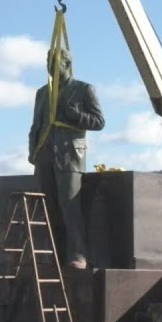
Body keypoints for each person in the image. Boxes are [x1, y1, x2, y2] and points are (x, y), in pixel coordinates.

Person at [28, 43, 104, 269]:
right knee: (46, 207)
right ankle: (51, 254)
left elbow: (99, 122)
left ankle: (78, 254)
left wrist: (76, 116)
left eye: (53, 64)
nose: (49, 69)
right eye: (47, 64)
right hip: (44, 155)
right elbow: (36, 125)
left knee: (69, 206)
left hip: (70, 156)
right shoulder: (42, 93)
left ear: (67, 64)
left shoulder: (84, 89)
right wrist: (33, 152)